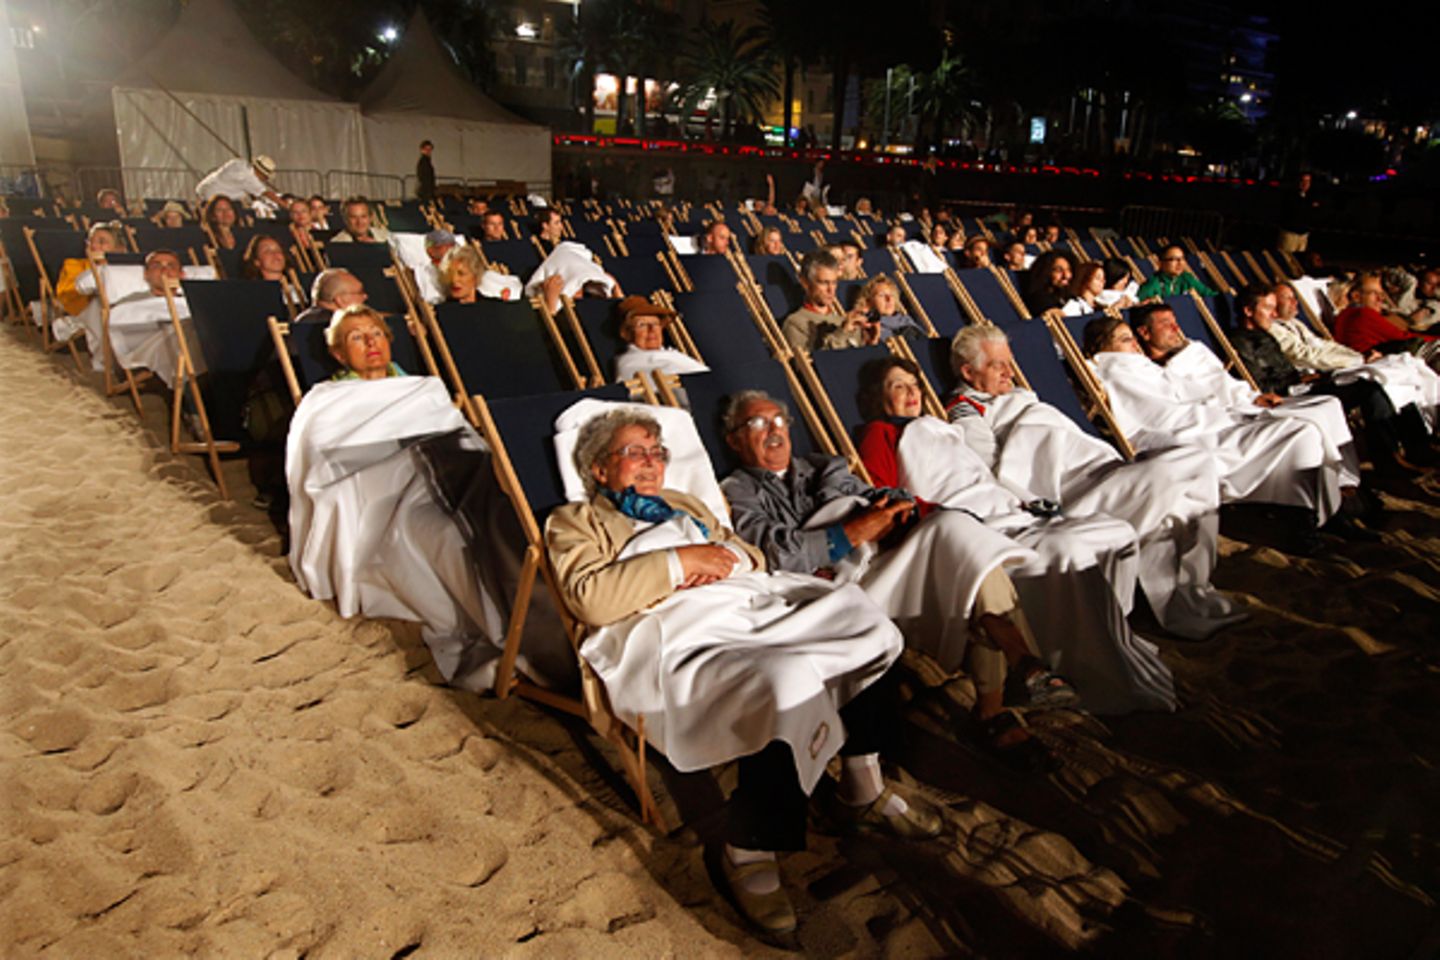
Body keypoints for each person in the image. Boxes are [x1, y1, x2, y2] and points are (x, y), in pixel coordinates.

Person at [548, 408, 937, 935]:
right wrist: (681, 562)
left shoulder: (682, 504)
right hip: (676, 628)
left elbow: (750, 554)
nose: (650, 463)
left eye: (657, 453)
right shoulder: (577, 522)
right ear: (598, 469)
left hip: (747, 604)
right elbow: (590, 598)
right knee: (786, 679)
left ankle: (861, 786)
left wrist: (722, 559)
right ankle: (749, 847)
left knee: (872, 628)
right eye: (634, 453)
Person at [720, 390, 1072, 771]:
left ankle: (1014, 678)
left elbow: (877, 495)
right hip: (833, 589)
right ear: (734, 440)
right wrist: (851, 531)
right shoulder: (737, 491)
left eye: (779, 421)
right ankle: (1013, 681)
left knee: (959, 535)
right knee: (957, 548)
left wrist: (894, 509)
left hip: (881, 563)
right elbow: (777, 552)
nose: (774, 430)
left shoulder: (825, 466)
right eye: (758, 423)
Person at [853, 356, 1176, 714]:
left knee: (1116, 532)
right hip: (971, 524)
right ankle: (1074, 670)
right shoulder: (880, 432)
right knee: (1068, 551)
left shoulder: (942, 427)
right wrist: (941, 511)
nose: (912, 392)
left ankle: (1113, 640)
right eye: (898, 386)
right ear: (876, 398)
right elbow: (885, 495)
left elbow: (980, 477)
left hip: (1009, 512)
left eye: (914, 384)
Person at [949, 325, 1244, 639]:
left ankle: (1186, 589)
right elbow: (990, 470)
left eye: (1009, 362)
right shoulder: (966, 410)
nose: (1010, 372)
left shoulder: (1021, 396)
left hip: (1103, 471)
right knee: (1184, 465)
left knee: (1192, 474)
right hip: (1076, 493)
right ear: (969, 371)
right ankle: (1168, 593)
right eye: (998, 365)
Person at [1084, 312, 1350, 543]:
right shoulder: (1116, 370)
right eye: (1125, 339)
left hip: (1212, 420)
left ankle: (1309, 513)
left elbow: (1187, 391)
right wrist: (1222, 415)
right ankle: (1301, 518)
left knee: (1303, 430)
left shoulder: (1140, 365)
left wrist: (1235, 406)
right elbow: (1154, 414)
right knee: (1299, 431)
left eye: (1132, 337)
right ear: (1102, 349)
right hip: (1190, 433)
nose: (1136, 345)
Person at [1230, 285, 1435, 480]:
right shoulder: (1241, 343)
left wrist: (1310, 377)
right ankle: (1389, 460)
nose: (1274, 315)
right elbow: (1264, 387)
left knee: (1383, 380)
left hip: (1303, 383)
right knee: (1370, 390)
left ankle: (1419, 446)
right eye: (1268, 309)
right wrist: (1298, 383)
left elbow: (1285, 370)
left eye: (1275, 308)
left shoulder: (1264, 334)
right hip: (1292, 396)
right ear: (1248, 311)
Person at [1333, 273, 1440, 369]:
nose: (1381, 299)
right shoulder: (1363, 314)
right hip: (1406, 353)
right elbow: (1403, 336)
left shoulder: (1346, 316)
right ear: (1356, 296)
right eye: (1375, 293)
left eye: (1381, 294)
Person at [781, 250, 872, 353]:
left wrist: (871, 342)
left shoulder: (842, 320)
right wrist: (842, 332)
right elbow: (811, 366)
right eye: (824, 283)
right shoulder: (795, 323)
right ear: (805, 283)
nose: (831, 290)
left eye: (834, 282)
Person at [611, 295, 709, 382]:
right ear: (629, 333)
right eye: (642, 325)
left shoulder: (672, 354)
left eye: (655, 323)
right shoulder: (629, 362)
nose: (652, 329)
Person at [56, 221, 123, 317]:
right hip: (86, 315)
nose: (93, 246)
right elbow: (68, 297)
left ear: (119, 249)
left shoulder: (126, 269)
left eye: (102, 242)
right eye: (90, 241)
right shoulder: (72, 266)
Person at [325, 304, 404, 380]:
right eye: (357, 337)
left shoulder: (409, 382)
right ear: (339, 355)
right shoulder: (332, 392)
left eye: (376, 333)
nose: (371, 341)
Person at [850, 274, 923, 342]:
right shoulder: (869, 329)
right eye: (881, 295)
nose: (889, 299)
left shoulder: (907, 320)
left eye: (891, 294)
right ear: (868, 301)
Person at [196, 154, 282, 208]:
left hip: (204, 189)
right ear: (261, 173)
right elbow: (268, 194)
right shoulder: (250, 179)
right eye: (266, 177)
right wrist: (287, 206)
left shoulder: (239, 163)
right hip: (214, 201)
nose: (265, 180)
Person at [1135, 245, 1217, 299]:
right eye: (1174, 259)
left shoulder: (1186, 278)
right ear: (1160, 263)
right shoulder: (1153, 284)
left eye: (1182, 259)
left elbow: (1209, 295)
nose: (1180, 263)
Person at [293, 269, 366, 325]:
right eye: (360, 292)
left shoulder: (302, 320)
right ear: (340, 300)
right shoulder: (343, 326)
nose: (365, 297)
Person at [1022, 250, 1074, 315]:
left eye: (1068, 270)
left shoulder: (1063, 294)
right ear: (1045, 272)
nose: (1066, 275)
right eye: (1059, 270)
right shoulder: (1039, 298)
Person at [1277, 173, 1318, 253]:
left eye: (1308, 181)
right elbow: (1294, 211)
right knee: (1286, 258)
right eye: (1303, 181)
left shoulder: (1309, 196)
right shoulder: (1290, 195)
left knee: (1298, 260)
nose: (1305, 184)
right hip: (1290, 233)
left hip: (1303, 234)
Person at [1394, 267, 1440, 332]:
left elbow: (1410, 322)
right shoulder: (1409, 288)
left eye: (1436, 285)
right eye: (1429, 283)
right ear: (1419, 282)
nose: (1433, 288)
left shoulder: (1435, 305)